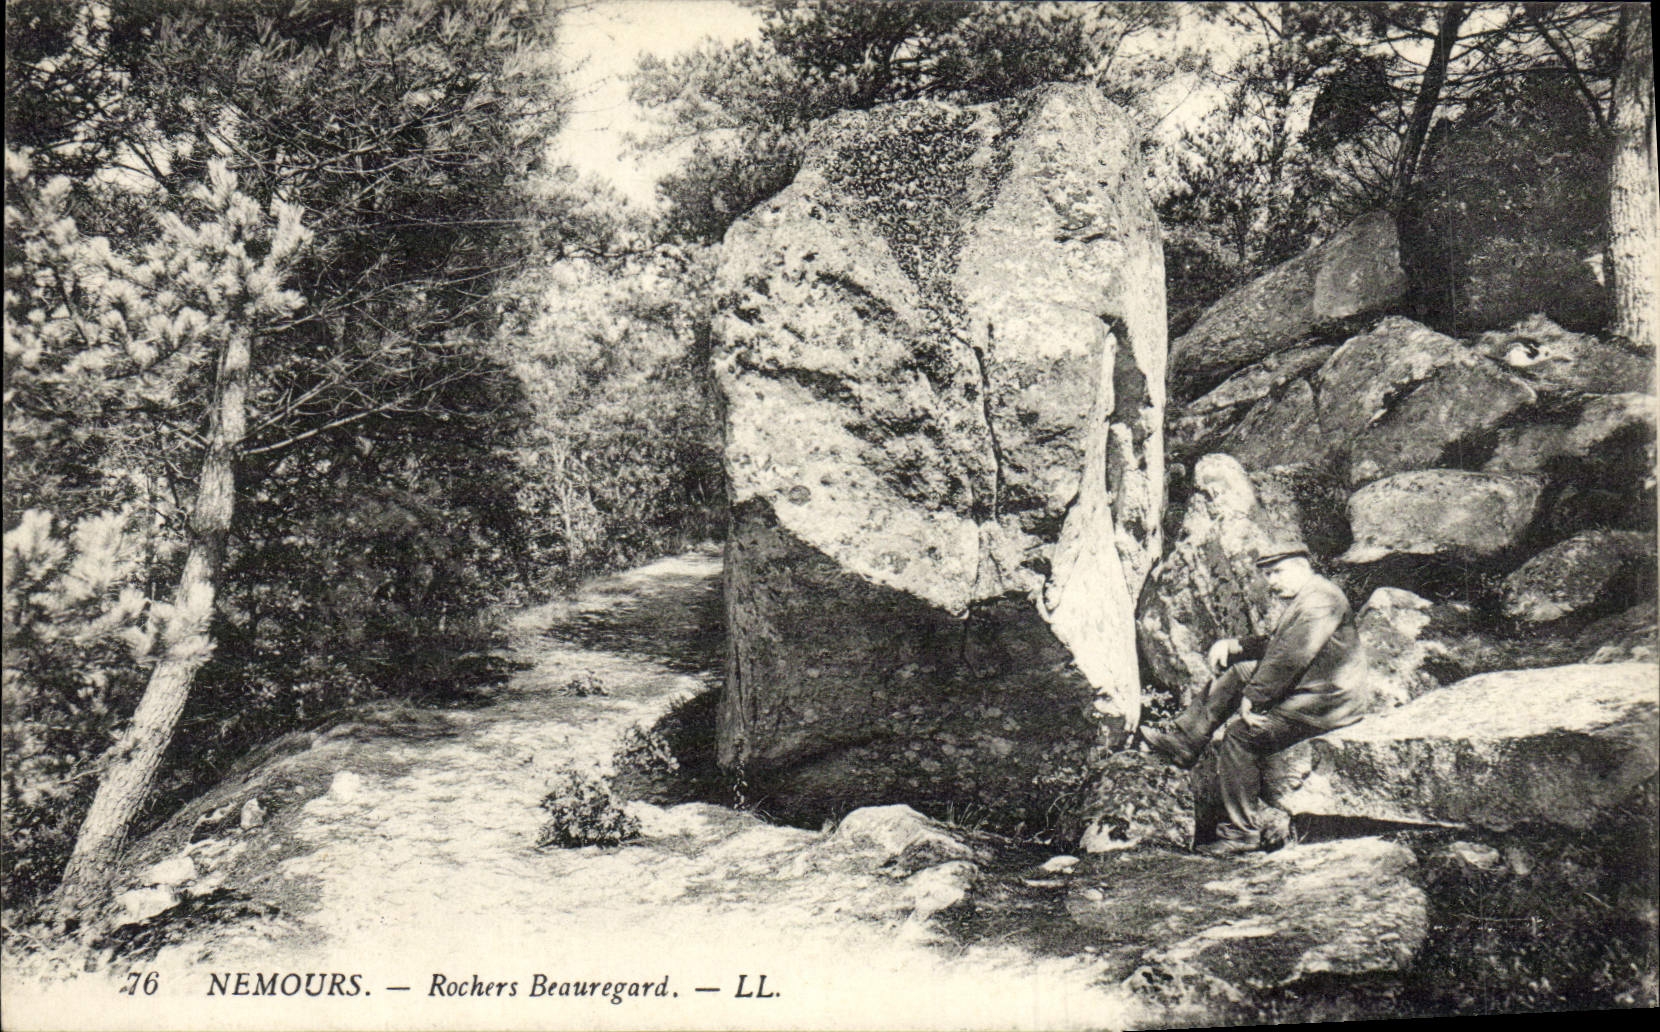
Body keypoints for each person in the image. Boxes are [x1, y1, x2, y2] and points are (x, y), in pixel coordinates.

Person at [1139, 544, 1368, 856]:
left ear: (1301, 567)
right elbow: (1278, 644)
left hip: (1326, 703)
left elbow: (1289, 658)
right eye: (1267, 574)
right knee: (1239, 671)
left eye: (1277, 572)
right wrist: (1235, 645)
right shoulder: (1310, 594)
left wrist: (1253, 699)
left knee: (1240, 737)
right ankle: (1185, 740)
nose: (1271, 581)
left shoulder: (1319, 602)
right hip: (1314, 686)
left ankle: (1242, 833)